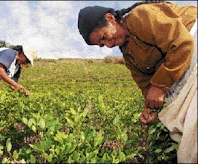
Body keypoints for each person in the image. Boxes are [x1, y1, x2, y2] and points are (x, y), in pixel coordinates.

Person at [78, 1, 197, 163]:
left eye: (104, 37)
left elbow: (182, 44)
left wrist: (159, 87)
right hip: (183, 64)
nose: (108, 44)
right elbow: (148, 88)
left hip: (192, 37)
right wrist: (151, 110)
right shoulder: (128, 56)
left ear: (110, 18)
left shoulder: (140, 16)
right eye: (102, 45)